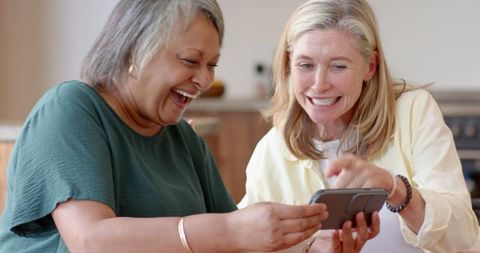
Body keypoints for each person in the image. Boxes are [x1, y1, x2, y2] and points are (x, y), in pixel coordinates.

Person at [0, 1, 335, 252]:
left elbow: (236, 244)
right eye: (190, 61)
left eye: (212, 65)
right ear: (134, 51)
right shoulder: (72, 108)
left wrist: (307, 246)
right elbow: (90, 240)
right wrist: (231, 230)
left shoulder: (184, 140)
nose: (204, 79)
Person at [238, 0, 480, 252]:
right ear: (289, 64)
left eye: (339, 66)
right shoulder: (273, 150)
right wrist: (307, 247)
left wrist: (395, 189)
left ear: (370, 66)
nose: (319, 84)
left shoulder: (413, 111)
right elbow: (246, 242)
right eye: (306, 65)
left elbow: (463, 236)